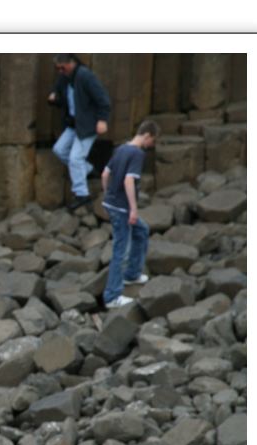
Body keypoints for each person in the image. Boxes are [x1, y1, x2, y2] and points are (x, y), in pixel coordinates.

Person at [100, 120, 161, 309]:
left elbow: (104, 174)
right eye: (153, 141)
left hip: (111, 203)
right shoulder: (137, 153)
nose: (152, 145)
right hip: (122, 209)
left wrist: (107, 194)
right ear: (147, 135)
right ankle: (112, 296)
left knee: (142, 230)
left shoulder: (120, 149)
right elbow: (128, 181)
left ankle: (132, 274)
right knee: (121, 249)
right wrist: (133, 209)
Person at [48, 53, 111, 211]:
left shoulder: (85, 76)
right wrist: (54, 98)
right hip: (73, 124)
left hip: (88, 125)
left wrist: (102, 119)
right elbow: (62, 95)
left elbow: (103, 99)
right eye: (58, 68)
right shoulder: (65, 77)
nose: (60, 71)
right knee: (59, 150)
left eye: (62, 67)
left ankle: (82, 194)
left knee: (75, 158)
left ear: (71, 63)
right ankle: (89, 170)